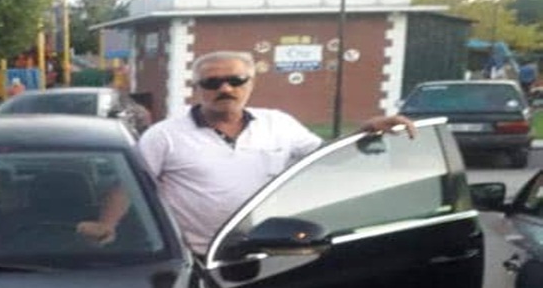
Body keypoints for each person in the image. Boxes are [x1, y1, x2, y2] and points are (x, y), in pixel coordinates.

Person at [77, 50, 415, 255]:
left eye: (236, 80)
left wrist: (362, 133)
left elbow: (320, 161)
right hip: (198, 258)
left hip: (270, 252)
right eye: (212, 83)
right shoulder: (165, 135)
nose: (225, 88)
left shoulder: (279, 123)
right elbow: (131, 186)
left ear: (251, 83)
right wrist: (107, 224)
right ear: (197, 89)